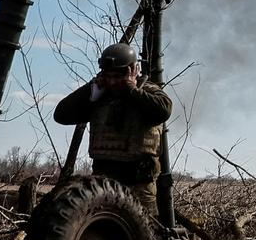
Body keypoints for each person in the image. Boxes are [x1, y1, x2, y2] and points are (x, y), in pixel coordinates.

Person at [54, 42, 172, 215]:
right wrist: (90, 91)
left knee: (144, 231)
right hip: (104, 180)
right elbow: (61, 115)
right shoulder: (100, 95)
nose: (112, 81)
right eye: (108, 76)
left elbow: (163, 110)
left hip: (139, 182)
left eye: (118, 76)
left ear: (133, 70)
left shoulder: (147, 91)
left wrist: (131, 90)